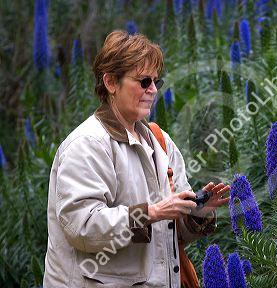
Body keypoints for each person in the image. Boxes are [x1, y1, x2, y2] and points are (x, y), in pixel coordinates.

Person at [43, 30, 230, 288]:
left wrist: (196, 212)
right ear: (110, 83)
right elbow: (81, 227)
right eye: (144, 81)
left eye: (156, 82)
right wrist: (150, 213)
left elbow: (172, 233)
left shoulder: (160, 141)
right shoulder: (86, 145)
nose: (153, 90)